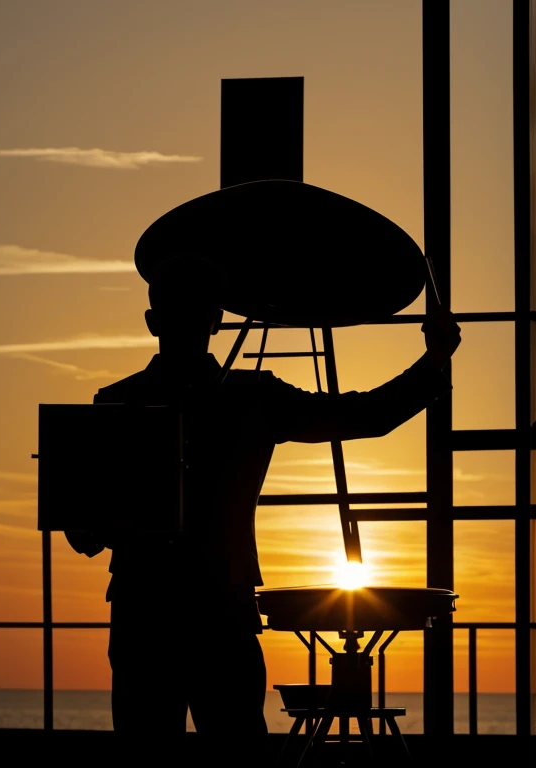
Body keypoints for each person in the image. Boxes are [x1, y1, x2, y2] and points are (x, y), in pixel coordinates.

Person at [67, 256, 461, 765]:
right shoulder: (252, 398)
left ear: (152, 321)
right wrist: (433, 362)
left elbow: (86, 537)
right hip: (222, 608)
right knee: (239, 761)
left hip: (145, 611)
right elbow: (365, 416)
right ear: (217, 321)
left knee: (146, 759)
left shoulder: (116, 404)